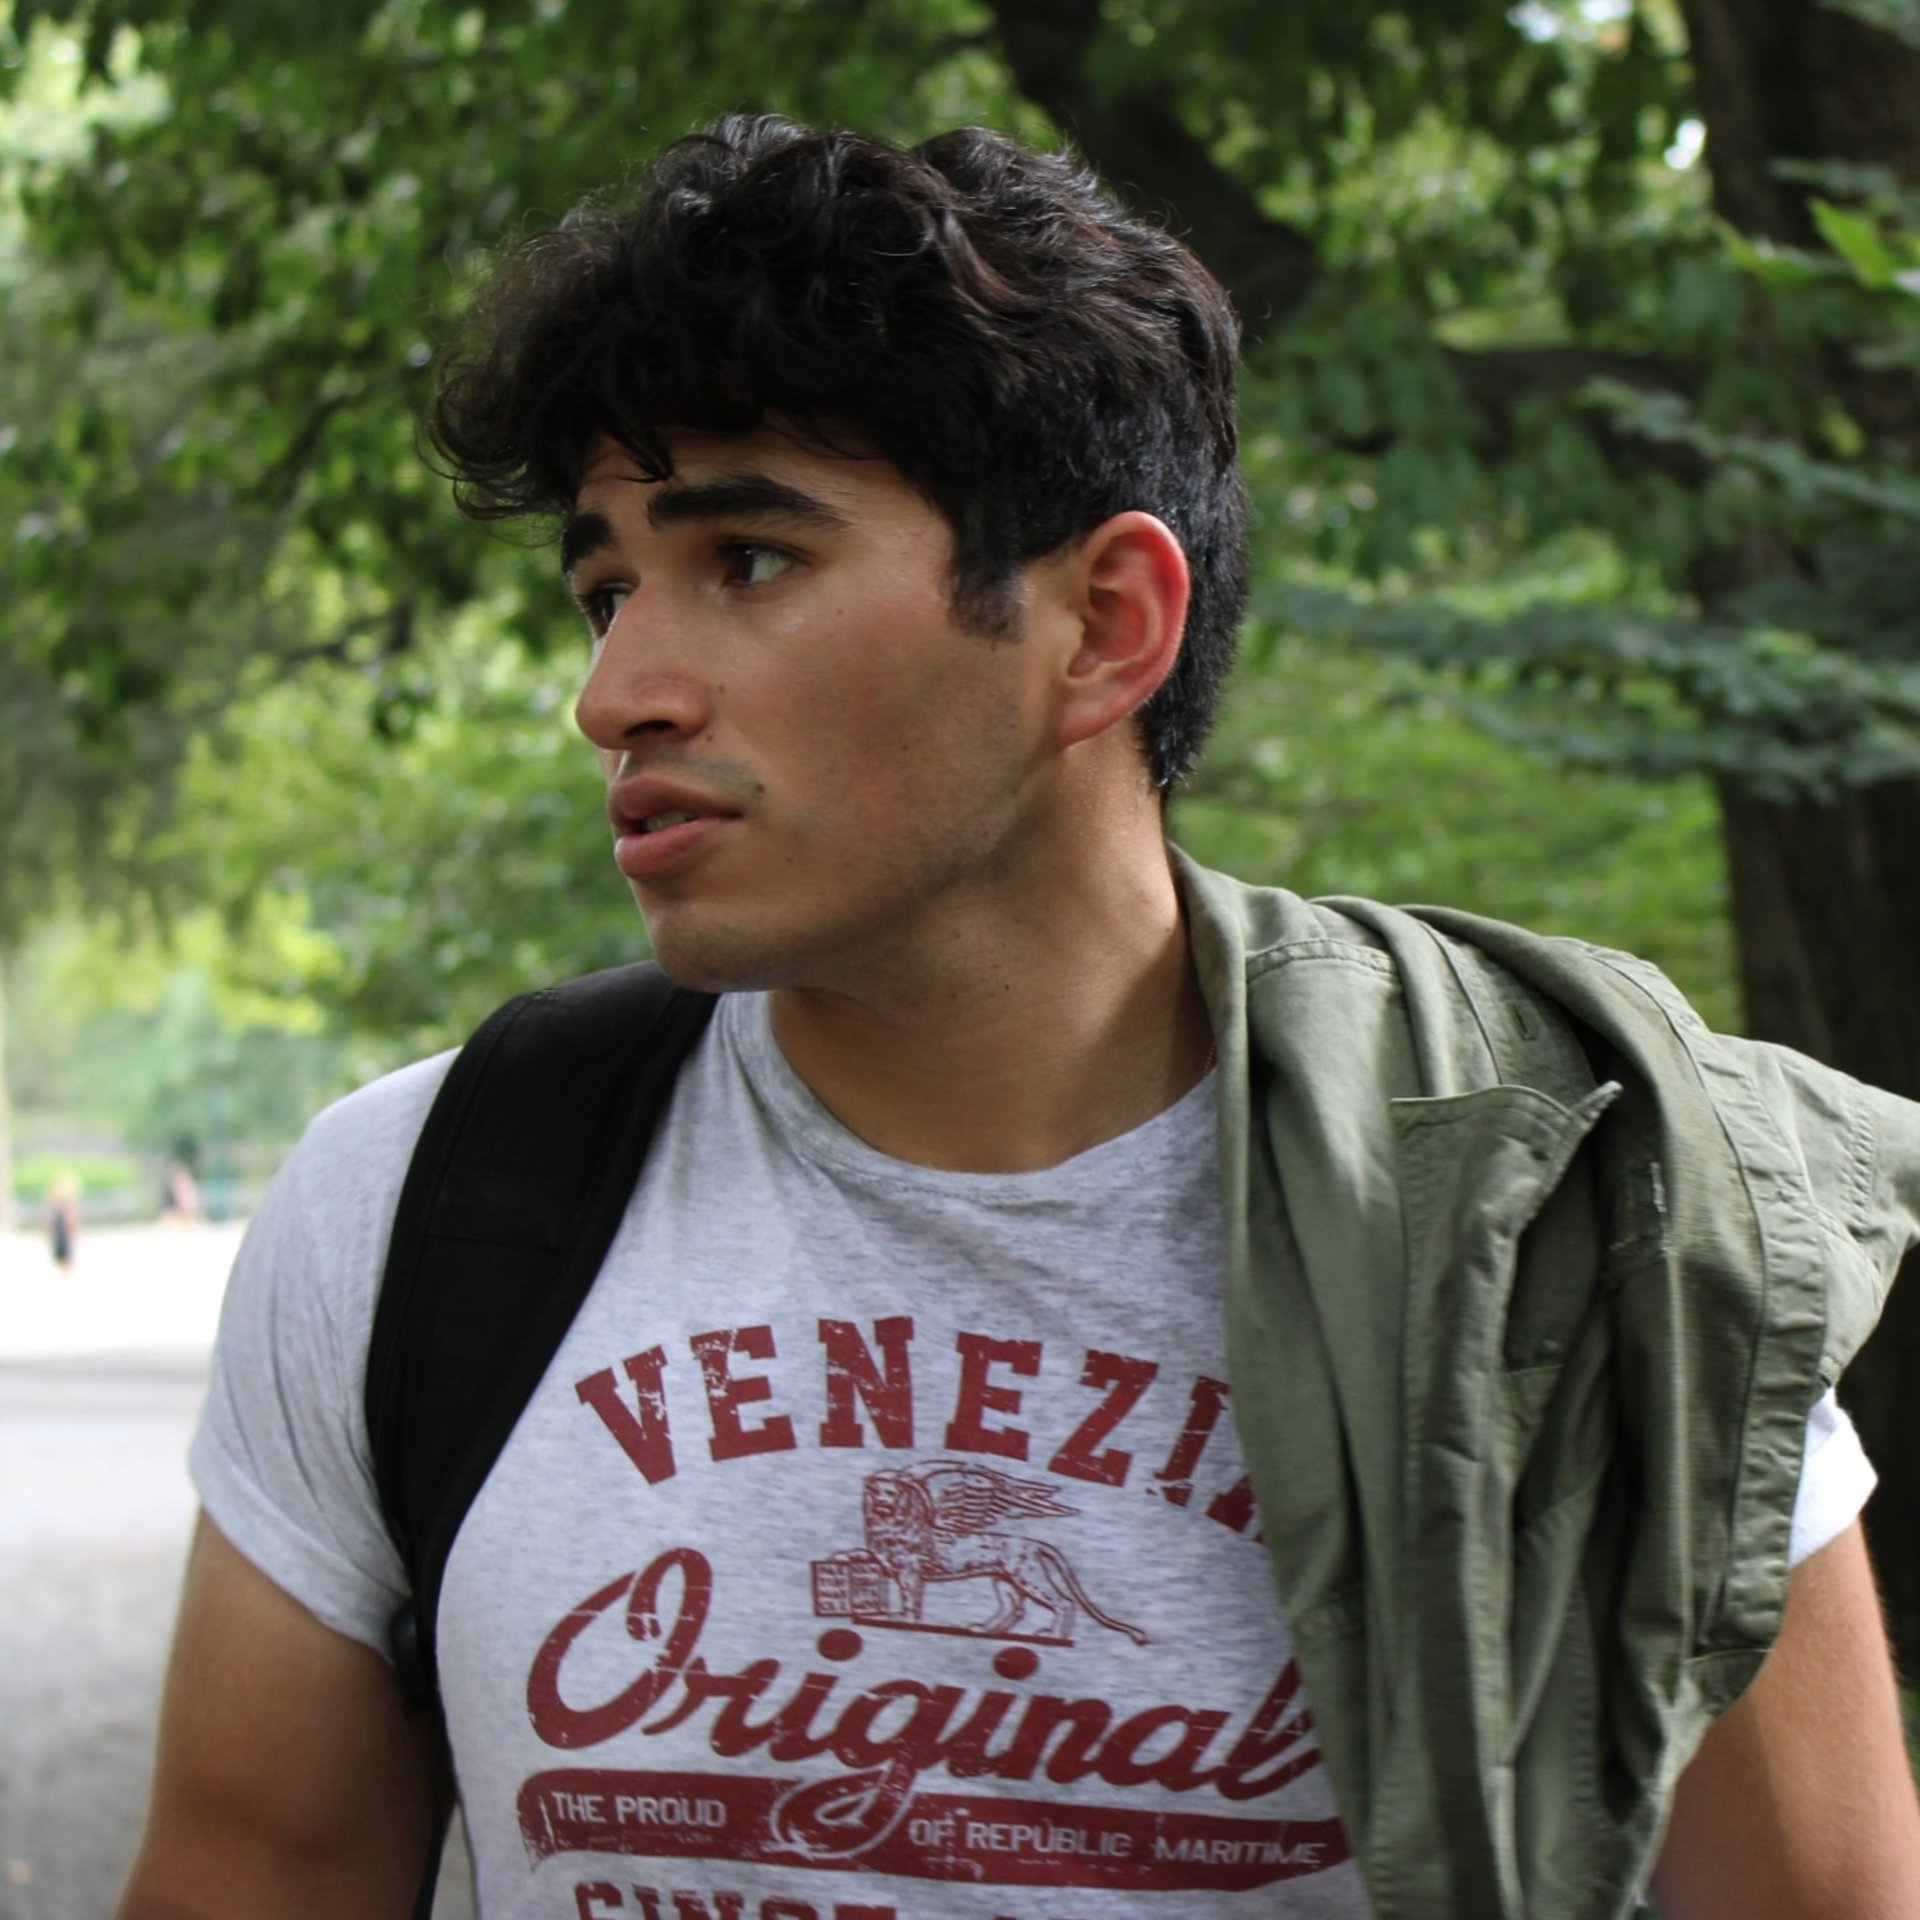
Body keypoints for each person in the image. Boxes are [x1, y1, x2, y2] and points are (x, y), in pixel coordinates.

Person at [118, 117, 1920, 1920]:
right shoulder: (421, 1204)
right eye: (606, 589)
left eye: (745, 558)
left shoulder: (1578, 1210)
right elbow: (244, 1875)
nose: (616, 693)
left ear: (1105, 623)